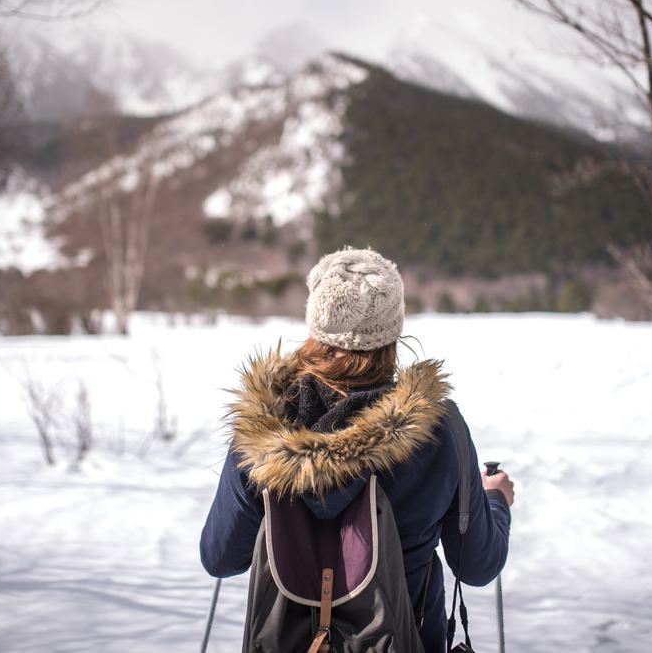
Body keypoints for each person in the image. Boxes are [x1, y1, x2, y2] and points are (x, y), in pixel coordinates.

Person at [200, 247, 514, 652]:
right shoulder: (437, 430)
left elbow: (221, 558)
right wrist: (496, 502)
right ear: (393, 330)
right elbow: (476, 565)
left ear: (316, 324)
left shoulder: (265, 428)